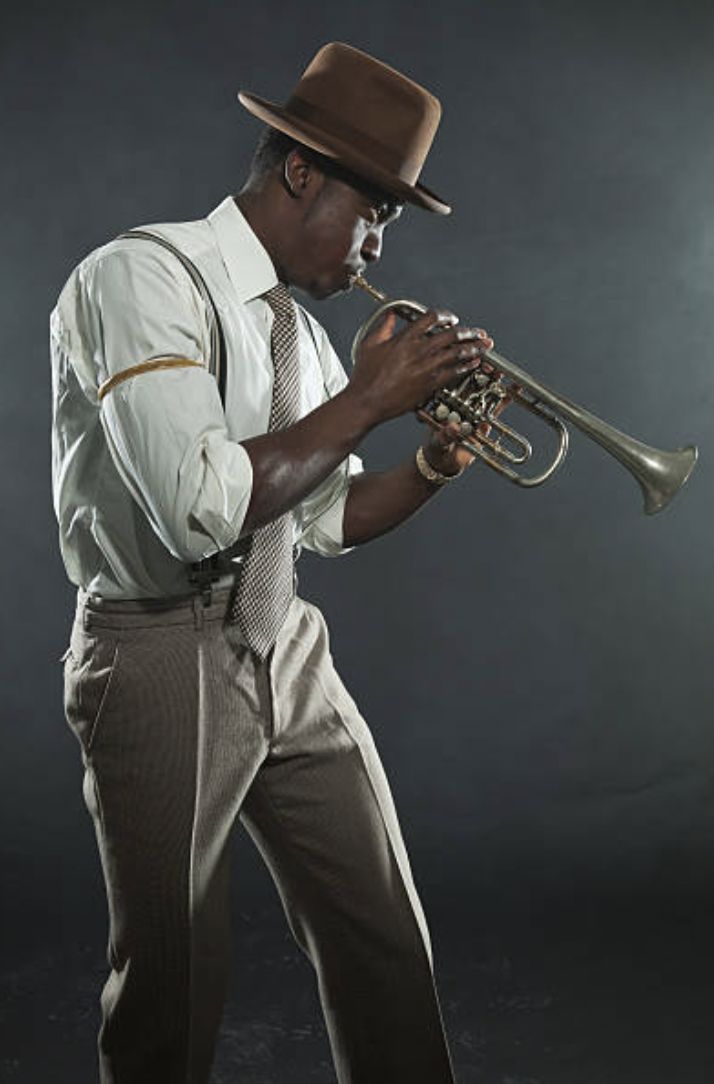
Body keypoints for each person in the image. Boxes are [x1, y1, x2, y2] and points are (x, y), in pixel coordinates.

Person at [50, 41, 494, 1084]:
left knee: (383, 931)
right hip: (159, 652)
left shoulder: (297, 332)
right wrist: (372, 401)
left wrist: (429, 462)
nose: (378, 244)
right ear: (301, 172)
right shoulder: (141, 277)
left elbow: (326, 519)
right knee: (173, 983)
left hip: (281, 634)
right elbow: (201, 508)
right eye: (374, 210)